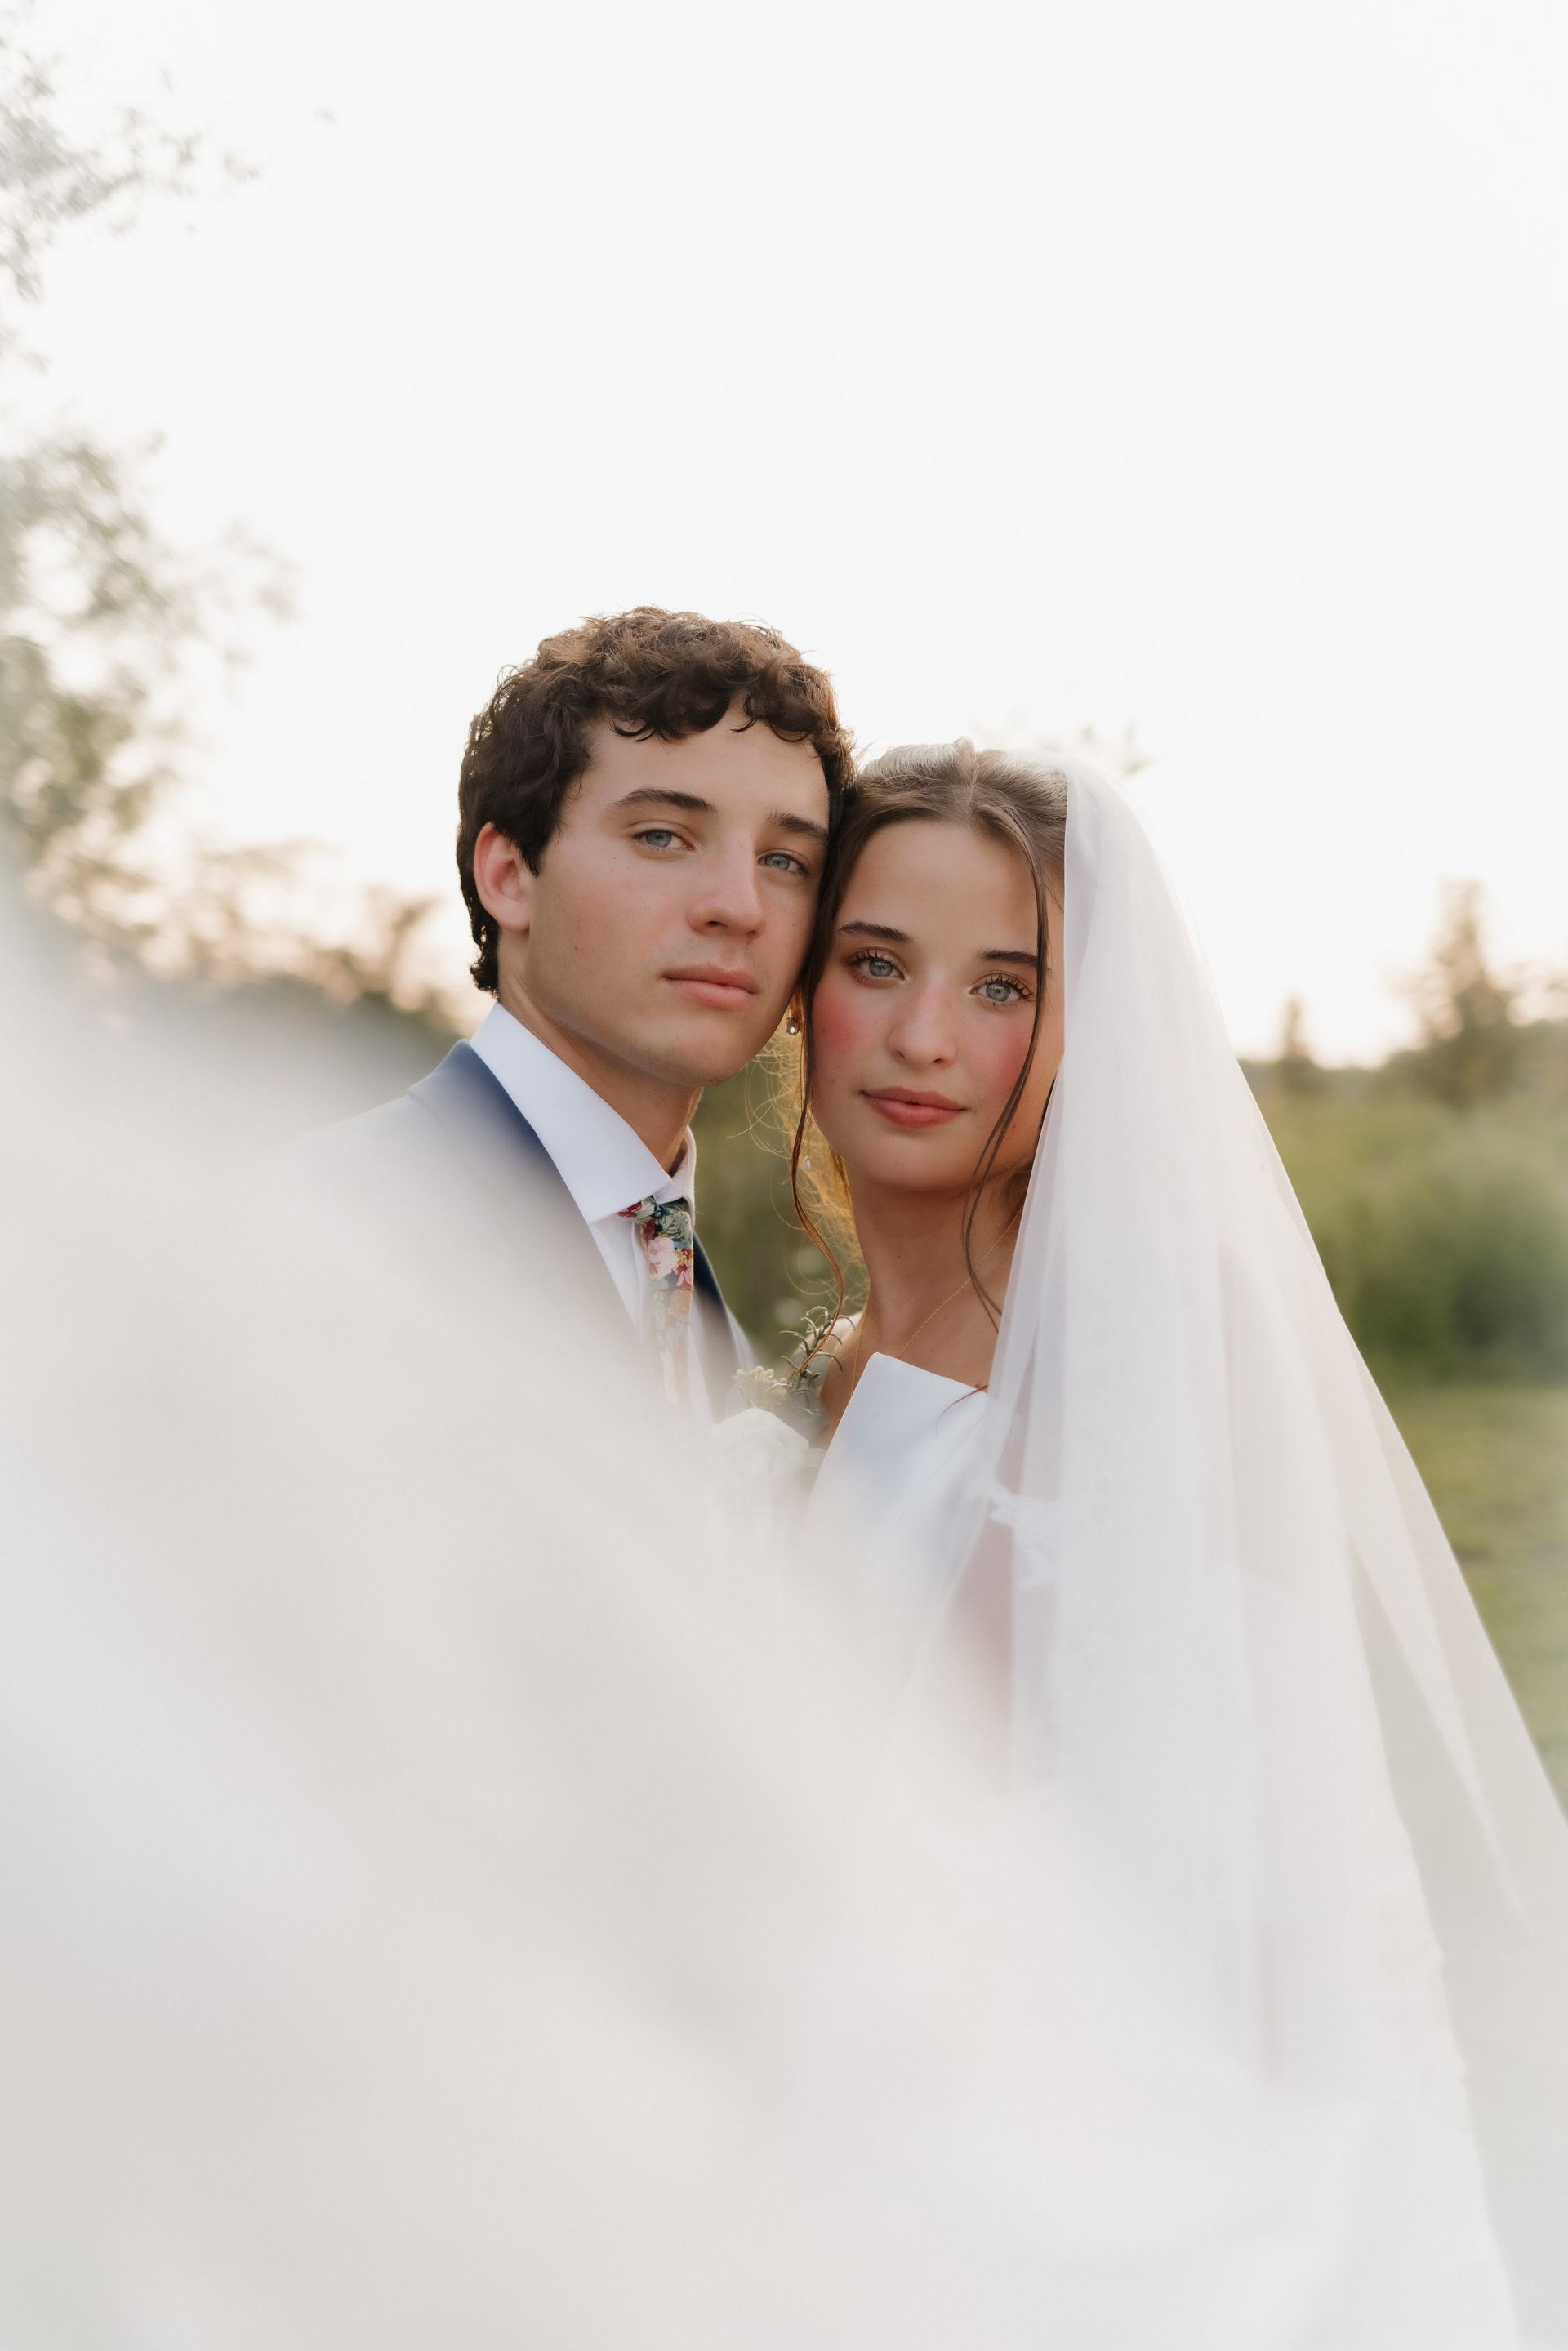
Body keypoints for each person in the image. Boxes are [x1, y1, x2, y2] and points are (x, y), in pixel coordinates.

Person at [790, 739, 1568, 2346]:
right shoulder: (829, 1372)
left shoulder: (1131, 1378)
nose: (927, 1035)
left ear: (1092, 1036)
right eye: (878, 962)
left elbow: (1231, 1951)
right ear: (804, 987)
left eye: (1007, 986)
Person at [276, 607, 853, 1416]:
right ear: (510, 874)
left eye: (786, 859)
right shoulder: (321, 1228)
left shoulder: (716, 1327)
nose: (739, 904)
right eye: (662, 836)